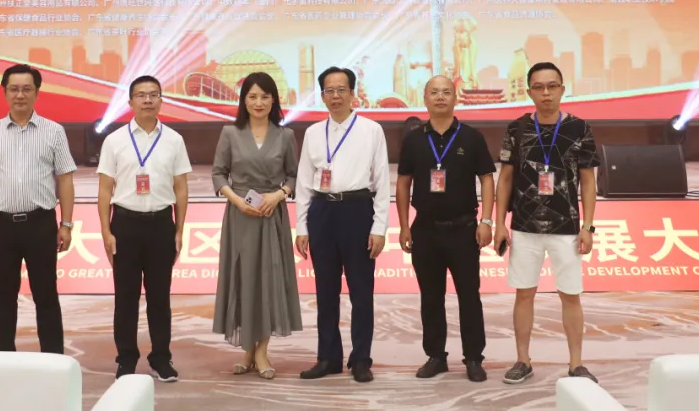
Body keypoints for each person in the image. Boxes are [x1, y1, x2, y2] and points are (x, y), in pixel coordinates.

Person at [493, 61, 599, 384]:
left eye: (552, 86)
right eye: (538, 87)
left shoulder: (579, 128)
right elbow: (505, 178)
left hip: (567, 228)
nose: (546, 93)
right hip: (524, 226)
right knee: (524, 294)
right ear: (529, 92)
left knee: (570, 295)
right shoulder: (517, 128)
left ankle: (576, 364)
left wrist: (588, 226)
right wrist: (499, 223)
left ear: (562, 90)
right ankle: (522, 360)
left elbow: (588, 180)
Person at [0, 63, 76, 354]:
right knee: (3, 297)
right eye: (14, 89)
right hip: (0, 226)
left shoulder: (54, 132)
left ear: (37, 93)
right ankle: (4, 360)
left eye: (27, 89)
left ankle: (53, 360)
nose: (20, 95)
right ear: (4, 92)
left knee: (46, 295)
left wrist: (66, 224)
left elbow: (65, 180)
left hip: (40, 225)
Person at [396, 75, 496, 382]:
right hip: (425, 230)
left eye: (446, 92)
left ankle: (474, 358)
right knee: (431, 297)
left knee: (469, 296)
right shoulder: (414, 139)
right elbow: (403, 183)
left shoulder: (472, 137)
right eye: (434, 92)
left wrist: (487, 221)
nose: (440, 97)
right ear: (425, 98)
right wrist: (404, 225)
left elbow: (487, 179)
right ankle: (436, 357)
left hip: (464, 229)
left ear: (455, 98)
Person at [295, 66, 389, 383]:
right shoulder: (312, 133)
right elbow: (304, 183)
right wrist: (302, 227)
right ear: (322, 96)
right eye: (329, 91)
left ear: (352, 93)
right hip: (322, 212)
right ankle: (328, 357)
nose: (335, 96)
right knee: (325, 291)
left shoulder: (371, 130)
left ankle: (361, 359)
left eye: (341, 90)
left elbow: (382, 182)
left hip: (357, 211)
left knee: (361, 291)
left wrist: (379, 228)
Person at [97, 75, 190, 383]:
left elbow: (181, 187)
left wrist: (179, 230)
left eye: (153, 94)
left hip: (161, 224)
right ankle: (126, 359)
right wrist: (106, 232)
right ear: (131, 102)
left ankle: (161, 358)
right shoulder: (115, 141)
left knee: (160, 298)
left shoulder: (174, 139)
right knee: (125, 297)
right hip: (125, 225)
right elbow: (105, 190)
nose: (148, 100)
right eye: (141, 95)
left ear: (161, 100)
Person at [211, 72, 302, 379]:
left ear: (274, 100)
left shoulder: (285, 135)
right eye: (252, 96)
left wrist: (278, 195)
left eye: (265, 96)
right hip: (240, 216)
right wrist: (237, 201)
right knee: (242, 278)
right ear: (244, 100)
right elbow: (218, 174)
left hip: (270, 216)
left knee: (268, 281)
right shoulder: (230, 133)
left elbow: (293, 176)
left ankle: (261, 351)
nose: (259, 102)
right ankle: (247, 350)